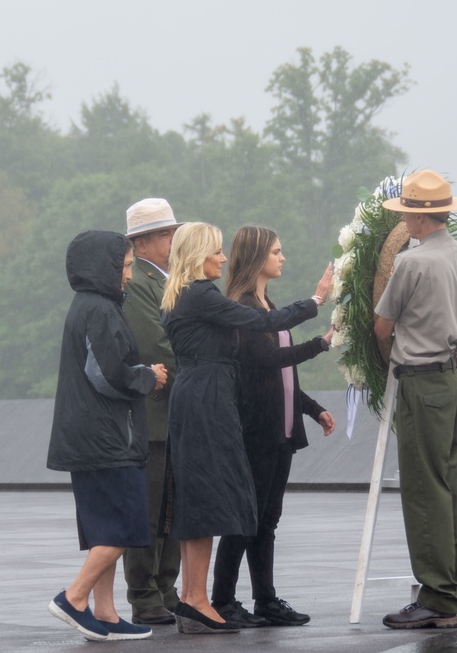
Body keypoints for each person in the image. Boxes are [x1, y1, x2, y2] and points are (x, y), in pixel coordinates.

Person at [159, 222, 331, 635]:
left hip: (197, 394)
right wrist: (316, 300)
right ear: (199, 255)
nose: (222, 257)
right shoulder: (201, 295)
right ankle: (201, 599)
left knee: (200, 500)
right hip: (207, 398)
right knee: (210, 502)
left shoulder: (184, 295)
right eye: (216, 251)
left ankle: (194, 598)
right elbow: (260, 322)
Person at [374, 170, 457, 629]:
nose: (405, 220)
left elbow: (382, 326)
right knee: (447, 489)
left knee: (424, 490)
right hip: (448, 382)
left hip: (418, 382)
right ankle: (452, 589)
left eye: (408, 212)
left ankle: (438, 598)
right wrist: (456, 358)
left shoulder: (411, 262)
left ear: (419, 216)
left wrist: (400, 360)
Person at [210, 226, 337, 628]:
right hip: (256, 433)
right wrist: (321, 343)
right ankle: (223, 601)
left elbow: (283, 380)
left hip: (280, 435)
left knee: (267, 521)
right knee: (245, 519)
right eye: (277, 252)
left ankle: (265, 600)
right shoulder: (243, 306)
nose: (283, 258)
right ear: (258, 257)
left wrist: (313, 409)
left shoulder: (267, 303)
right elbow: (270, 361)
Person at [46, 230, 167, 642]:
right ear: (106, 268)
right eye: (126, 267)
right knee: (123, 529)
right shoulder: (100, 310)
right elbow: (108, 375)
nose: (129, 277)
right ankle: (73, 597)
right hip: (107, 441)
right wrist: (149, 376)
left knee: (104, 530)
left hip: (90, 440)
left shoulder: (88, 306)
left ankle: (107, 613)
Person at [120, 198, 182, 626]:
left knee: (173, 508)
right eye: (164, 234)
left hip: (174, 411)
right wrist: (194, 377)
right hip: (154, 411)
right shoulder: (138, 283)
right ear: (141, 243)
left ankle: (166, 585)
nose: (173, 240)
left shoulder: (170, 278)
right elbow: (155, 346)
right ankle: (144, 593)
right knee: (148, 506)